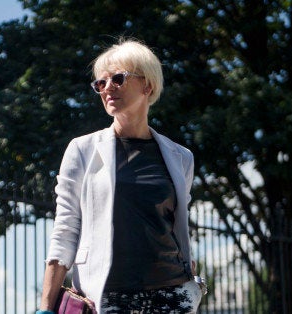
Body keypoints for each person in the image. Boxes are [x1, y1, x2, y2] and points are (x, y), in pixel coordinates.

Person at [37, 39, 203, 313]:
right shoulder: (82, 150)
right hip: (108, 296)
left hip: (172, 296)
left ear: (147, 85)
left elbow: (178, 226)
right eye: (100, 83)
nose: (107, 88)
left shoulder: (181, 157)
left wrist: (191, 284)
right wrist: (45, 307)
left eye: (117, 79)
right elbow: (66, 229)